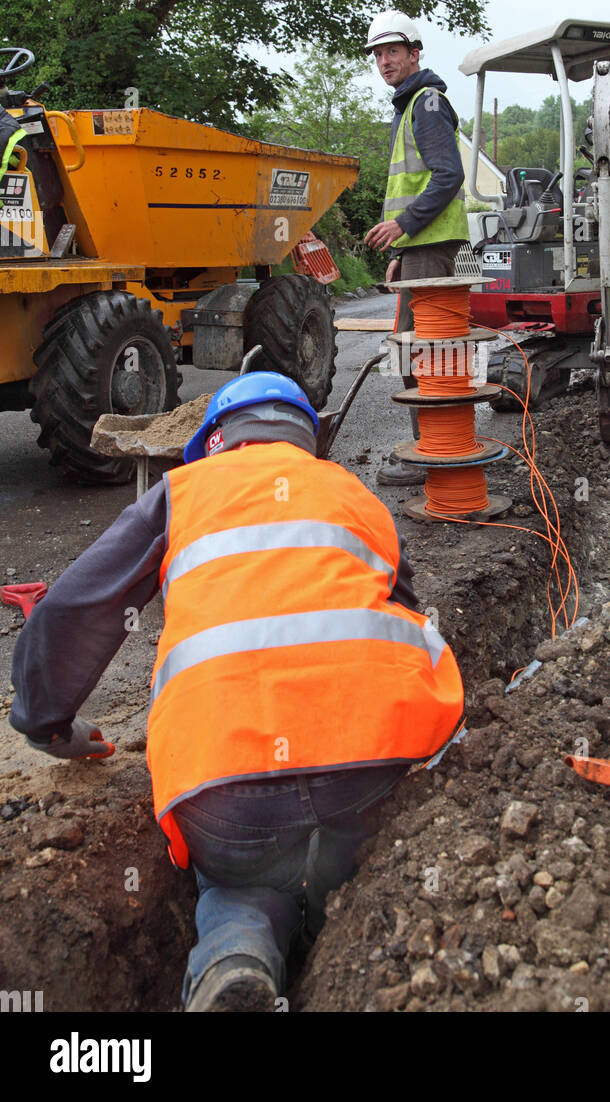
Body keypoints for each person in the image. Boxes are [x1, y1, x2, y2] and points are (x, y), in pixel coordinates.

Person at [8, 372, 464, 1012]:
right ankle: (341, 937)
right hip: (362, 774)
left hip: (224, 792)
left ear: (216, 440)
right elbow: (400, 612)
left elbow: (78, 605)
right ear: (307, 440)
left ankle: (235, 955)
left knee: (238, 890)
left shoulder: (183, 492)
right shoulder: (354, 495)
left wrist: (47, 721)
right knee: (347, 878)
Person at [363, 10, 470, 485]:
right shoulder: (409, 106)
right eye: (378, 54)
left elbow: (449, 175)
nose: (384, 61)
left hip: (431, 244)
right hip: (419, 248)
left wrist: (403, 227)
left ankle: (433, 452)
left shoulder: (425, 103)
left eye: (393, 51)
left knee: (419, 350)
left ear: (414, 53)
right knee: (419, 349)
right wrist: (399, 253)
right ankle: (437, 447)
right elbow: (415, 183)